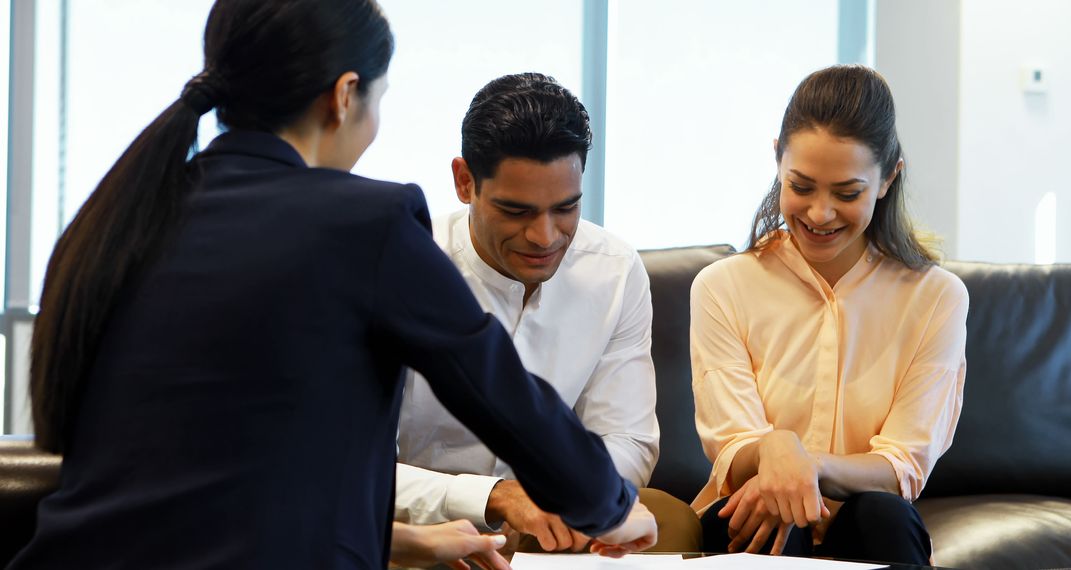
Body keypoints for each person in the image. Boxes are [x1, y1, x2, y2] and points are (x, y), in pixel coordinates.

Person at [11, 1, 656, 568]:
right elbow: (504, 396)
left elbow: (217, 470)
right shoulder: (366, 223)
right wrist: (609, 504)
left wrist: (398, 540)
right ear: (345, 95)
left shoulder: (118, 217)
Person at [689, 64, 968, 565]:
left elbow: (901, 465)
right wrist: (770, 457)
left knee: (885, 515)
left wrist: (800, 463)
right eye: (802, 186)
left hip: (864, 520)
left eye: (847, 193)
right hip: (750, 515)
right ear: (777, 159)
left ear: (887, 180)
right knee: (776, 517)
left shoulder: (936, 297)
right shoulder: (722, 287)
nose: (820, 214)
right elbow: (732, 446)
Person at [393, 72, 660, 553]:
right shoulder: (402, 267)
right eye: (516, 211)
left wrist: (567, 501)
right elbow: (352, 468)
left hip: (555, 532)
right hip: (418, 533)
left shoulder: (616, 271)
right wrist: (491, 497)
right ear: (463, 181)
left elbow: (627, 438)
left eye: (566, 208)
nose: (545, 236)